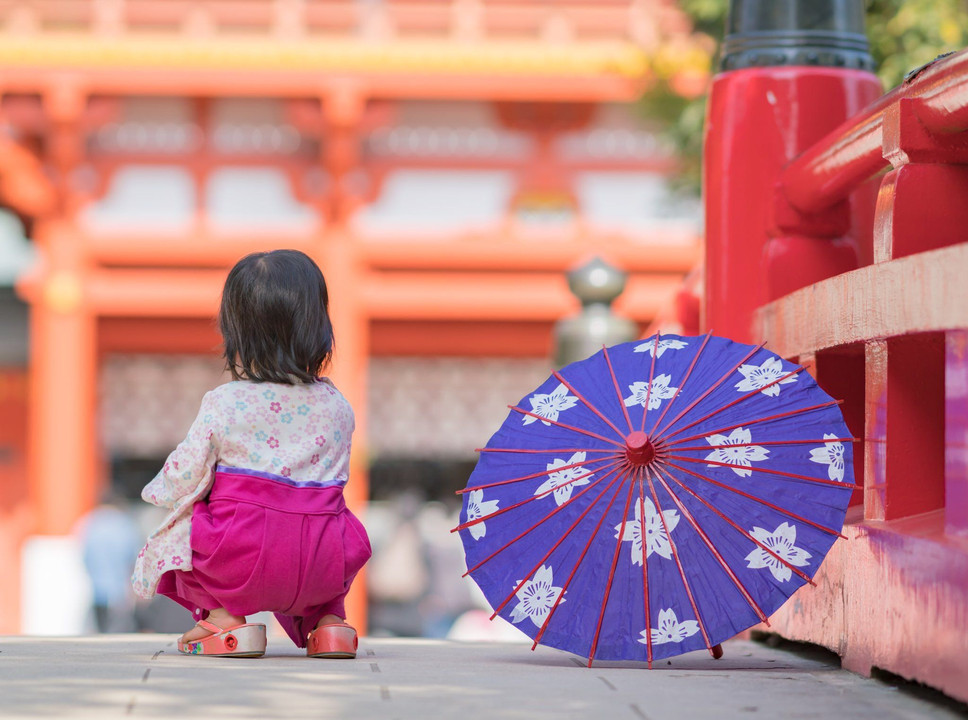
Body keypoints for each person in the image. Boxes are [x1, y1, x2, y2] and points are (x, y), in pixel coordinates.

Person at [131, 250, 371, 658]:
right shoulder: (338, 406)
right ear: (318, 325)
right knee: (331, 520)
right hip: (320, 562)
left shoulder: (226, 402)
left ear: (237, 331)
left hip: (239, 557)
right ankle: (330, 622)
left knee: (185, 524)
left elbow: (186, 475)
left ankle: (224, 617)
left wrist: (158, 491)